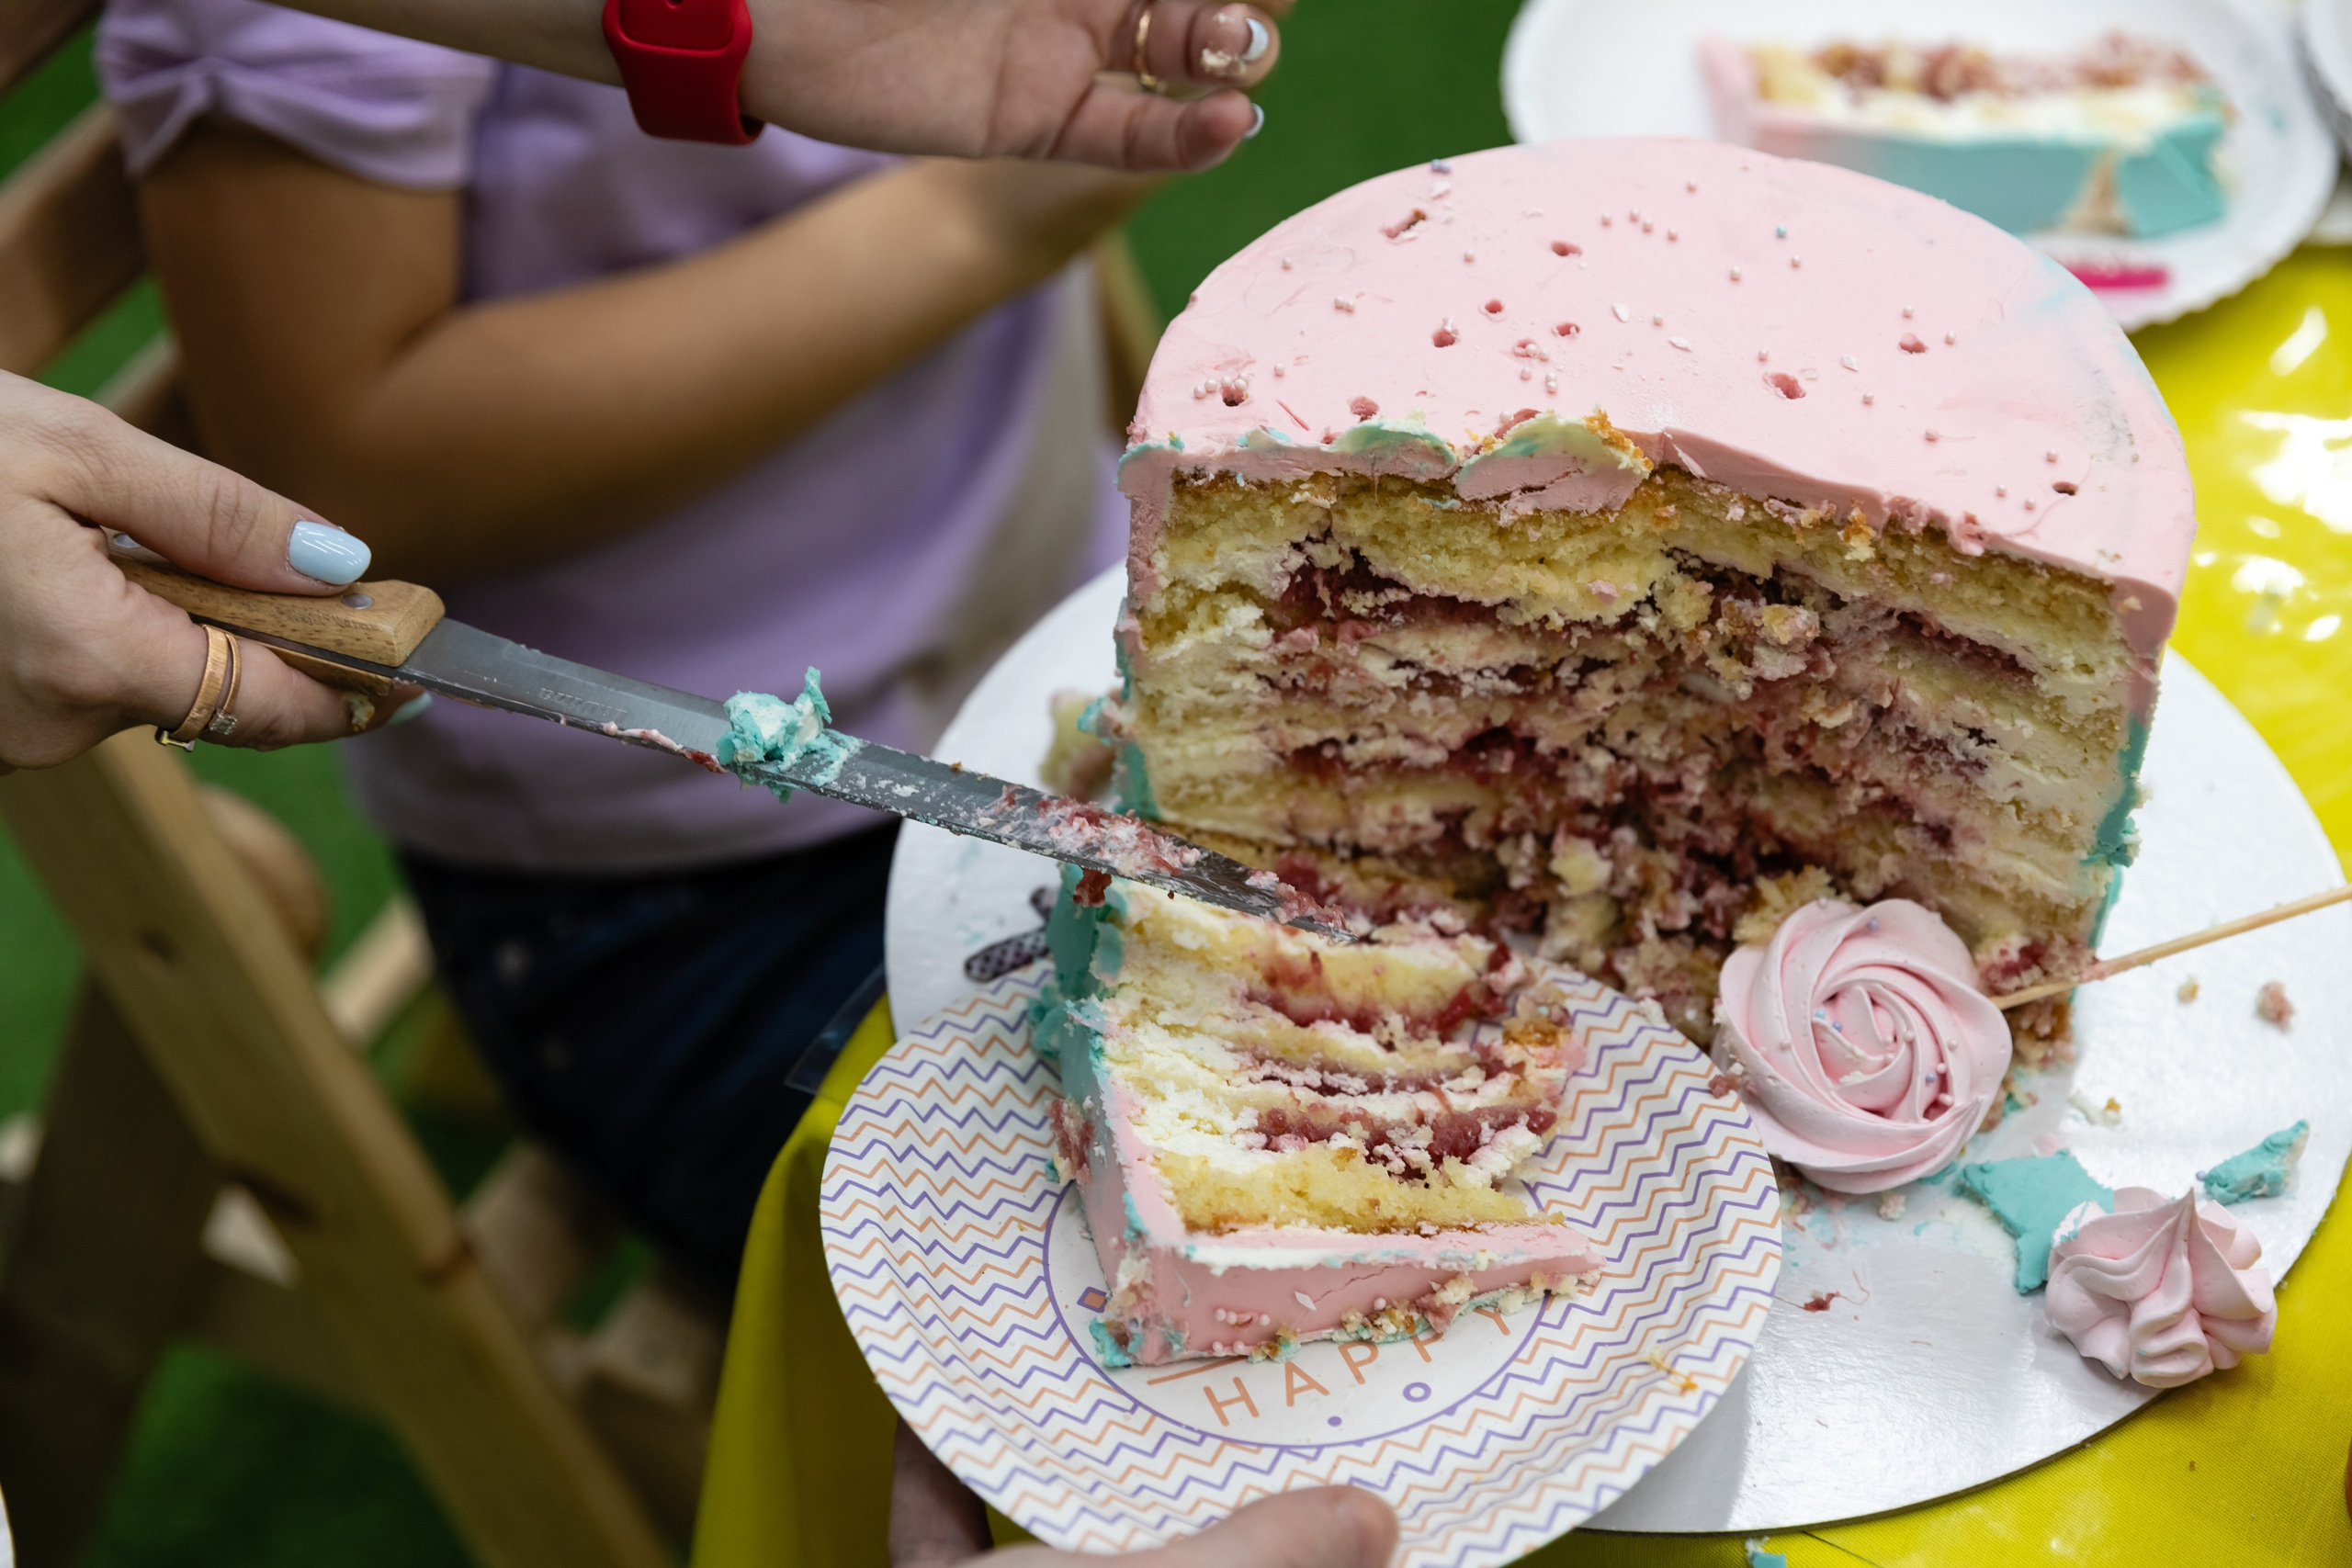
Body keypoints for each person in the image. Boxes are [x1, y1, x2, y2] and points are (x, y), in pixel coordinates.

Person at [0, 0, 1283, 776]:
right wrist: (974, 223)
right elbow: (347, 460)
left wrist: (741, 33)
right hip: (712, 840)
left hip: (1067, 634)